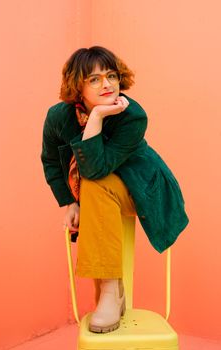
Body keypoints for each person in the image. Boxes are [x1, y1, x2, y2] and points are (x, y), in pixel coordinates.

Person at [41, 46, 189, 333]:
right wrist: (69, 203)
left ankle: (110, 292)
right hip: (100, 191)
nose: (106, 84)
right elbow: (50, 159)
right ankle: (112, 290)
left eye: (111, 75)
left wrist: (96, 118)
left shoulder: (132, 115)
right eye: (94, 79)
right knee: (95, 189)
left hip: (143, 188)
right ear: (77, 86)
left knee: (95, 182)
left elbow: (96, 169)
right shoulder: (58, 117)